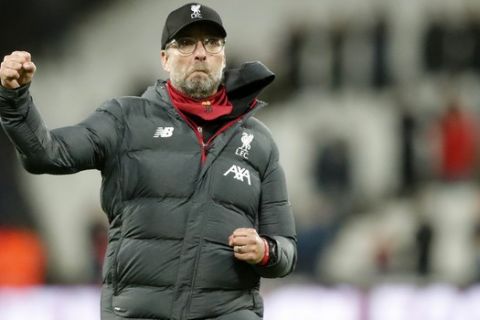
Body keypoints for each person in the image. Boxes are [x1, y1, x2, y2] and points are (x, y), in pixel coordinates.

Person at [0, 3, 297, 320]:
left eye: (212, 43)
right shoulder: (125, 118)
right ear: (164, 59)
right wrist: (15, 99)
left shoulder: (259, 141)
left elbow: (287, 249)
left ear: (223, 56)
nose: (200, 53)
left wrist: (266, 251)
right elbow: (47, 154)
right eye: (185, 43)